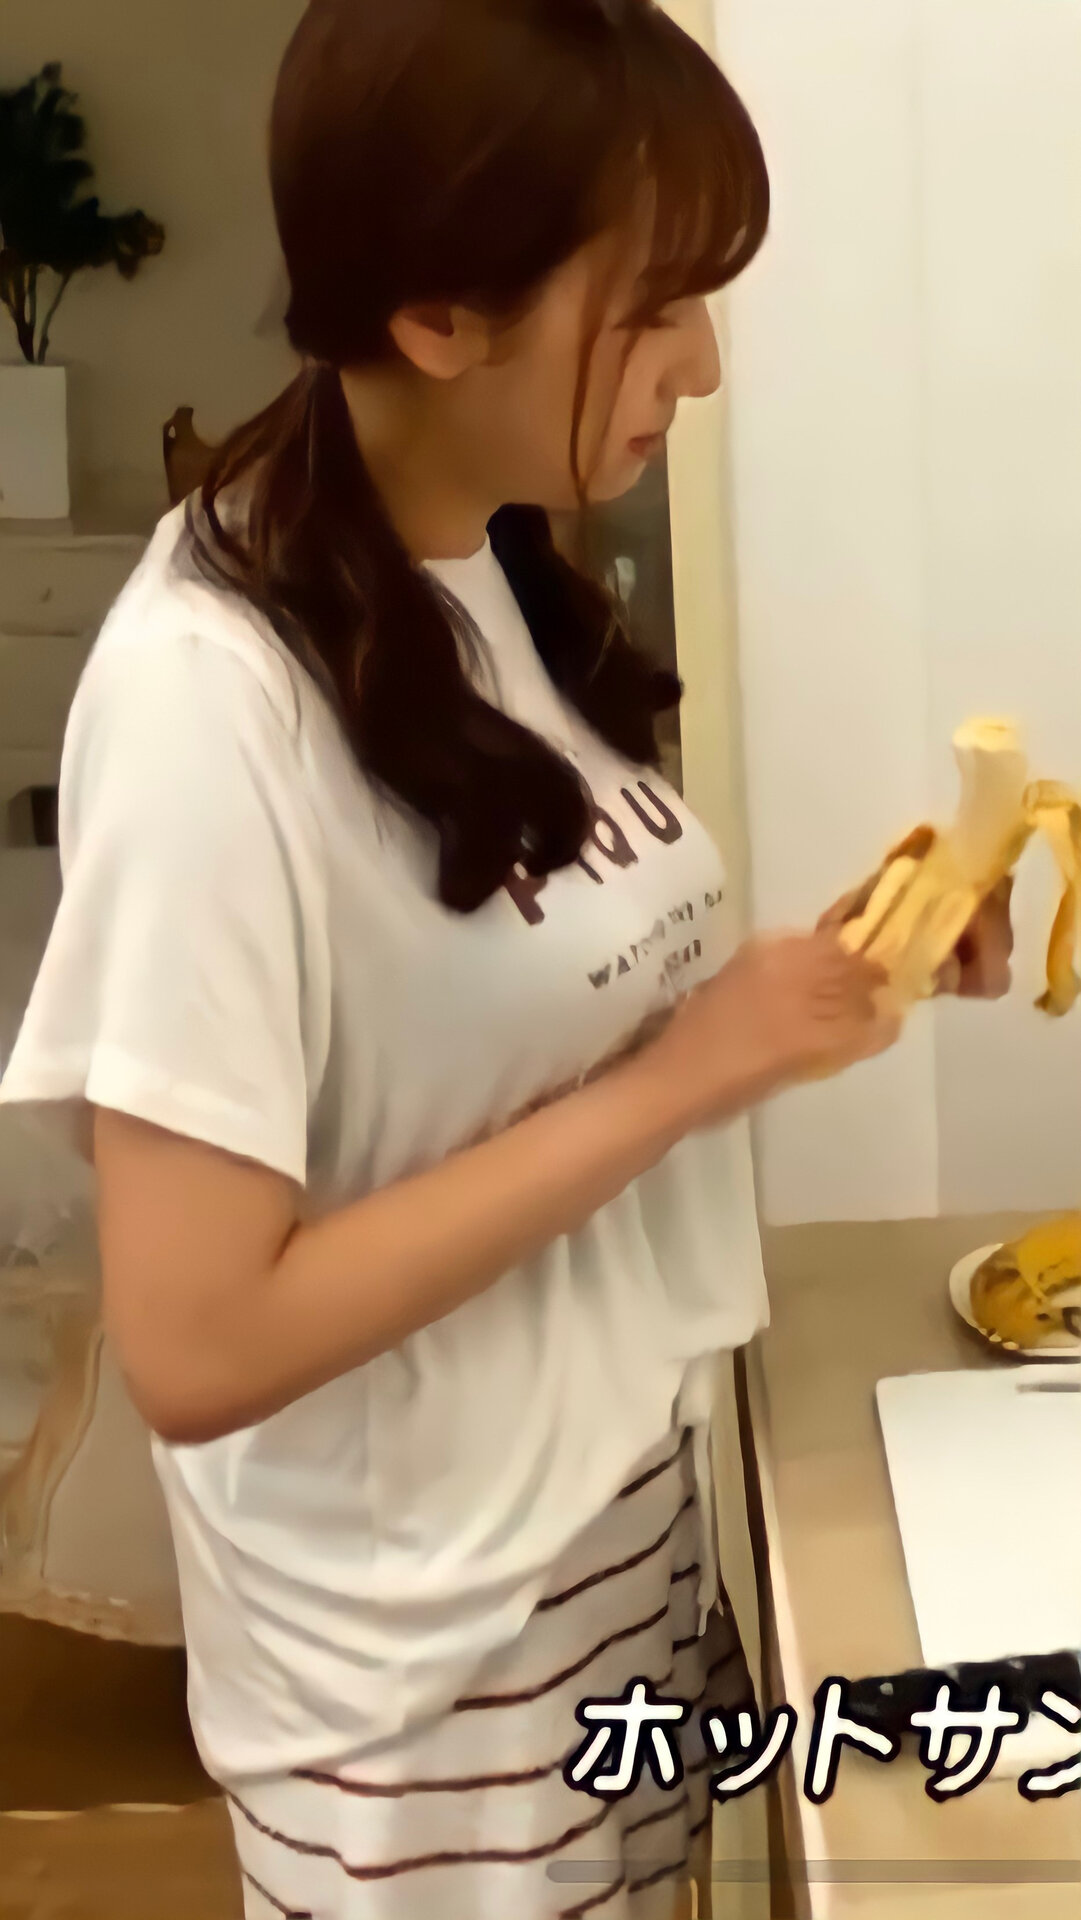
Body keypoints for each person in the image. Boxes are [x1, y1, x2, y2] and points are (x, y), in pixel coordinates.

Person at [0, 2, 1012, 1914]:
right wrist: (698, 1069)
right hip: (422, 1698)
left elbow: (532, 1016)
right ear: (436, 317)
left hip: (609, 1552)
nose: (701, 366)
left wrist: (826, 978)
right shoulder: (208, 699)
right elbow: (199, 1344)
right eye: (656, 305)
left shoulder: (485, 557)